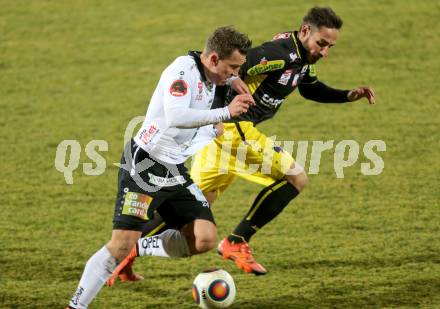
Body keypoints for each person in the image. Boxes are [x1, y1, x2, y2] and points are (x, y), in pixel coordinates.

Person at [108, 6, 375, 283]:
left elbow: (309, 87)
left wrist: (347, 95)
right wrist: (227, 97)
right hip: (234, 129)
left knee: (190, 209)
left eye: (330, 46)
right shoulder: (279, 54)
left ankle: (127, 252)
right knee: (295, 178)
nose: (325, 52)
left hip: (219, 137)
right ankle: (236, 240)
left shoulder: (303, 58)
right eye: (322, 43)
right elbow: (235, 66)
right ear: (306, 31)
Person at [66, 26, 253, 308]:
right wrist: (226, 113)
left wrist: (232, 83)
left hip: (175, 169)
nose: (234, 73)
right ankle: (76, 305)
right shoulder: (182, 71)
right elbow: (177, 116)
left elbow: (202, 109)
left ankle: (139, 247)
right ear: (214, 59)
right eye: (232, 67)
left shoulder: (216, 77)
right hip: (145, 166)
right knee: (119, 245)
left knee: (203, 239)